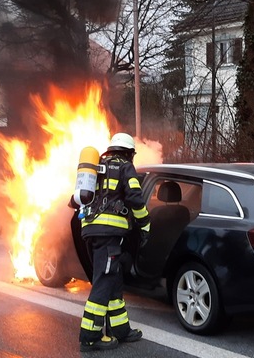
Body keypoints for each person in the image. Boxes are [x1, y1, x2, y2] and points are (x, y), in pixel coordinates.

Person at [74, 133, 149, 352]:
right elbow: (135, 197)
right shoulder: (125, 167)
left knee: (113, 281)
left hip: (91, 231)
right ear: (128, 153)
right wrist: (144, 223)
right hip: (108, 235)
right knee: (104, 282)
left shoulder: (98, 167)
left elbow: (75, 200)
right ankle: (90, 336)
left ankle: (120, 330)